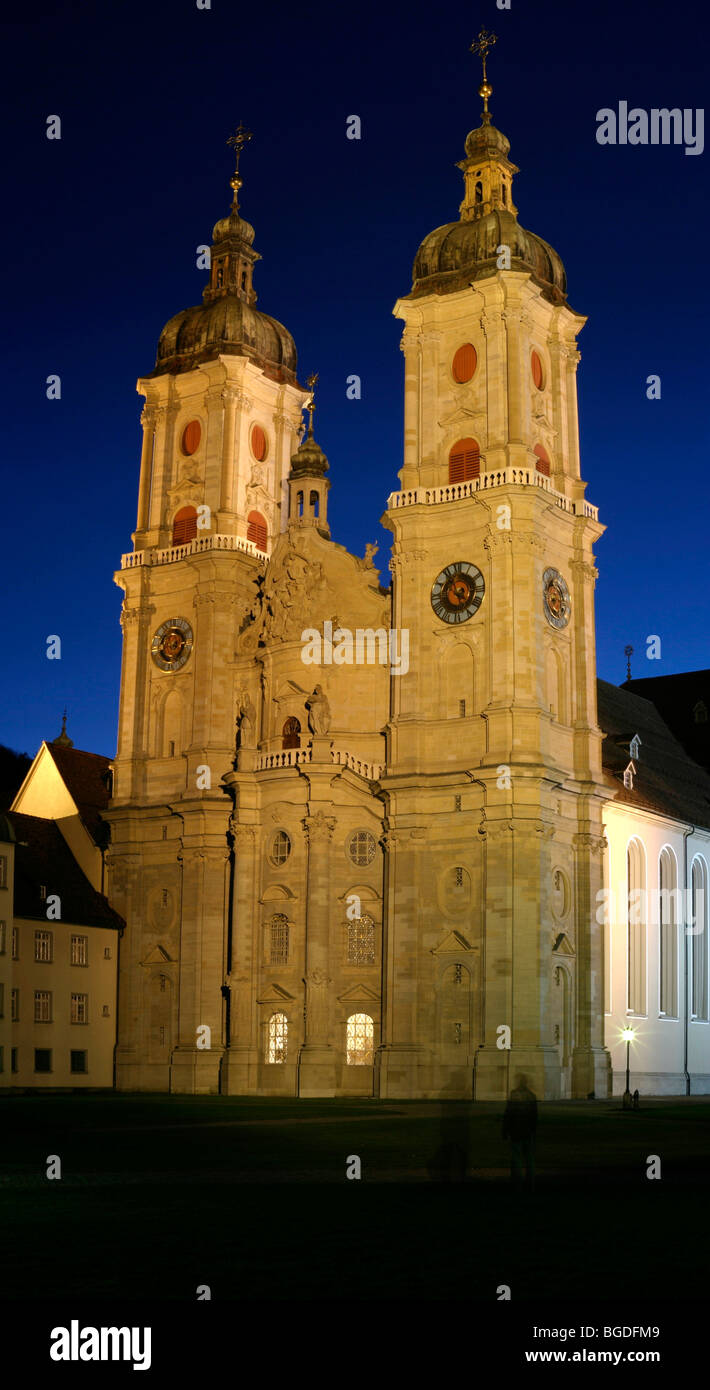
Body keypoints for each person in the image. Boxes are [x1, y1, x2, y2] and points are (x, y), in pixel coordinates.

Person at [502, 1073, 537, 1190]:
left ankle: (517, 1183)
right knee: (529, 1158)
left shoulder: (514, 1095)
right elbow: (534, 1117)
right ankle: (530, 1183)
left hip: (516, 1131)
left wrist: (505, 1130)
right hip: (527, 1131)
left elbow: (508, 1115)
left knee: (516, 1158)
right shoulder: (532, 1096)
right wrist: (533, 1130)